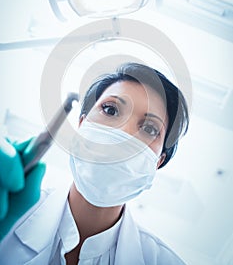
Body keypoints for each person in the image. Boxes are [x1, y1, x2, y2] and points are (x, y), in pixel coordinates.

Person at [0, 62, 189, 265]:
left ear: (158, 162)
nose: (123, 133)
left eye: (150, 129)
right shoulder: (7, 216)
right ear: (82, 125)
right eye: (110, 110)